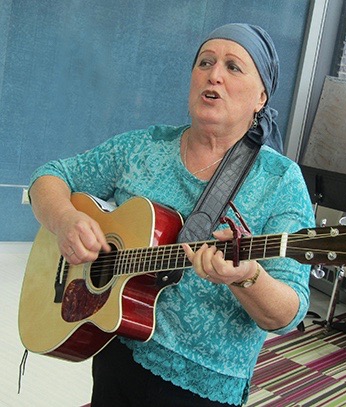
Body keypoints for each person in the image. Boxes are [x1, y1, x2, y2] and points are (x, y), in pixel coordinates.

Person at [28, 23, 314, 406]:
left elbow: (287, 312)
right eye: (205, 62)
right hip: (119, 347)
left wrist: (247, 277)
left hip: (205, 384)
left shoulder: (280, 180)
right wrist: (64, 218)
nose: (214, 74)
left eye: (233, 67)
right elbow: (49, 177)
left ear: (261, 96)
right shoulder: (144, 146)